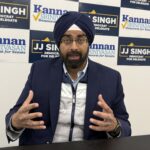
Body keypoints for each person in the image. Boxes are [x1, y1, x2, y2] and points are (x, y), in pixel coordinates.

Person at [5, 11, 131, 146]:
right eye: (67, 39)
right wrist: (15, 123)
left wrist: (115, 126)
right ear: (59, 43)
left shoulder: (111, 78)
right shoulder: (39, 71)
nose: (74, 47)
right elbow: (16, 113)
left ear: (89, 42)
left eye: (81, 39)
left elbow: (125, 126)